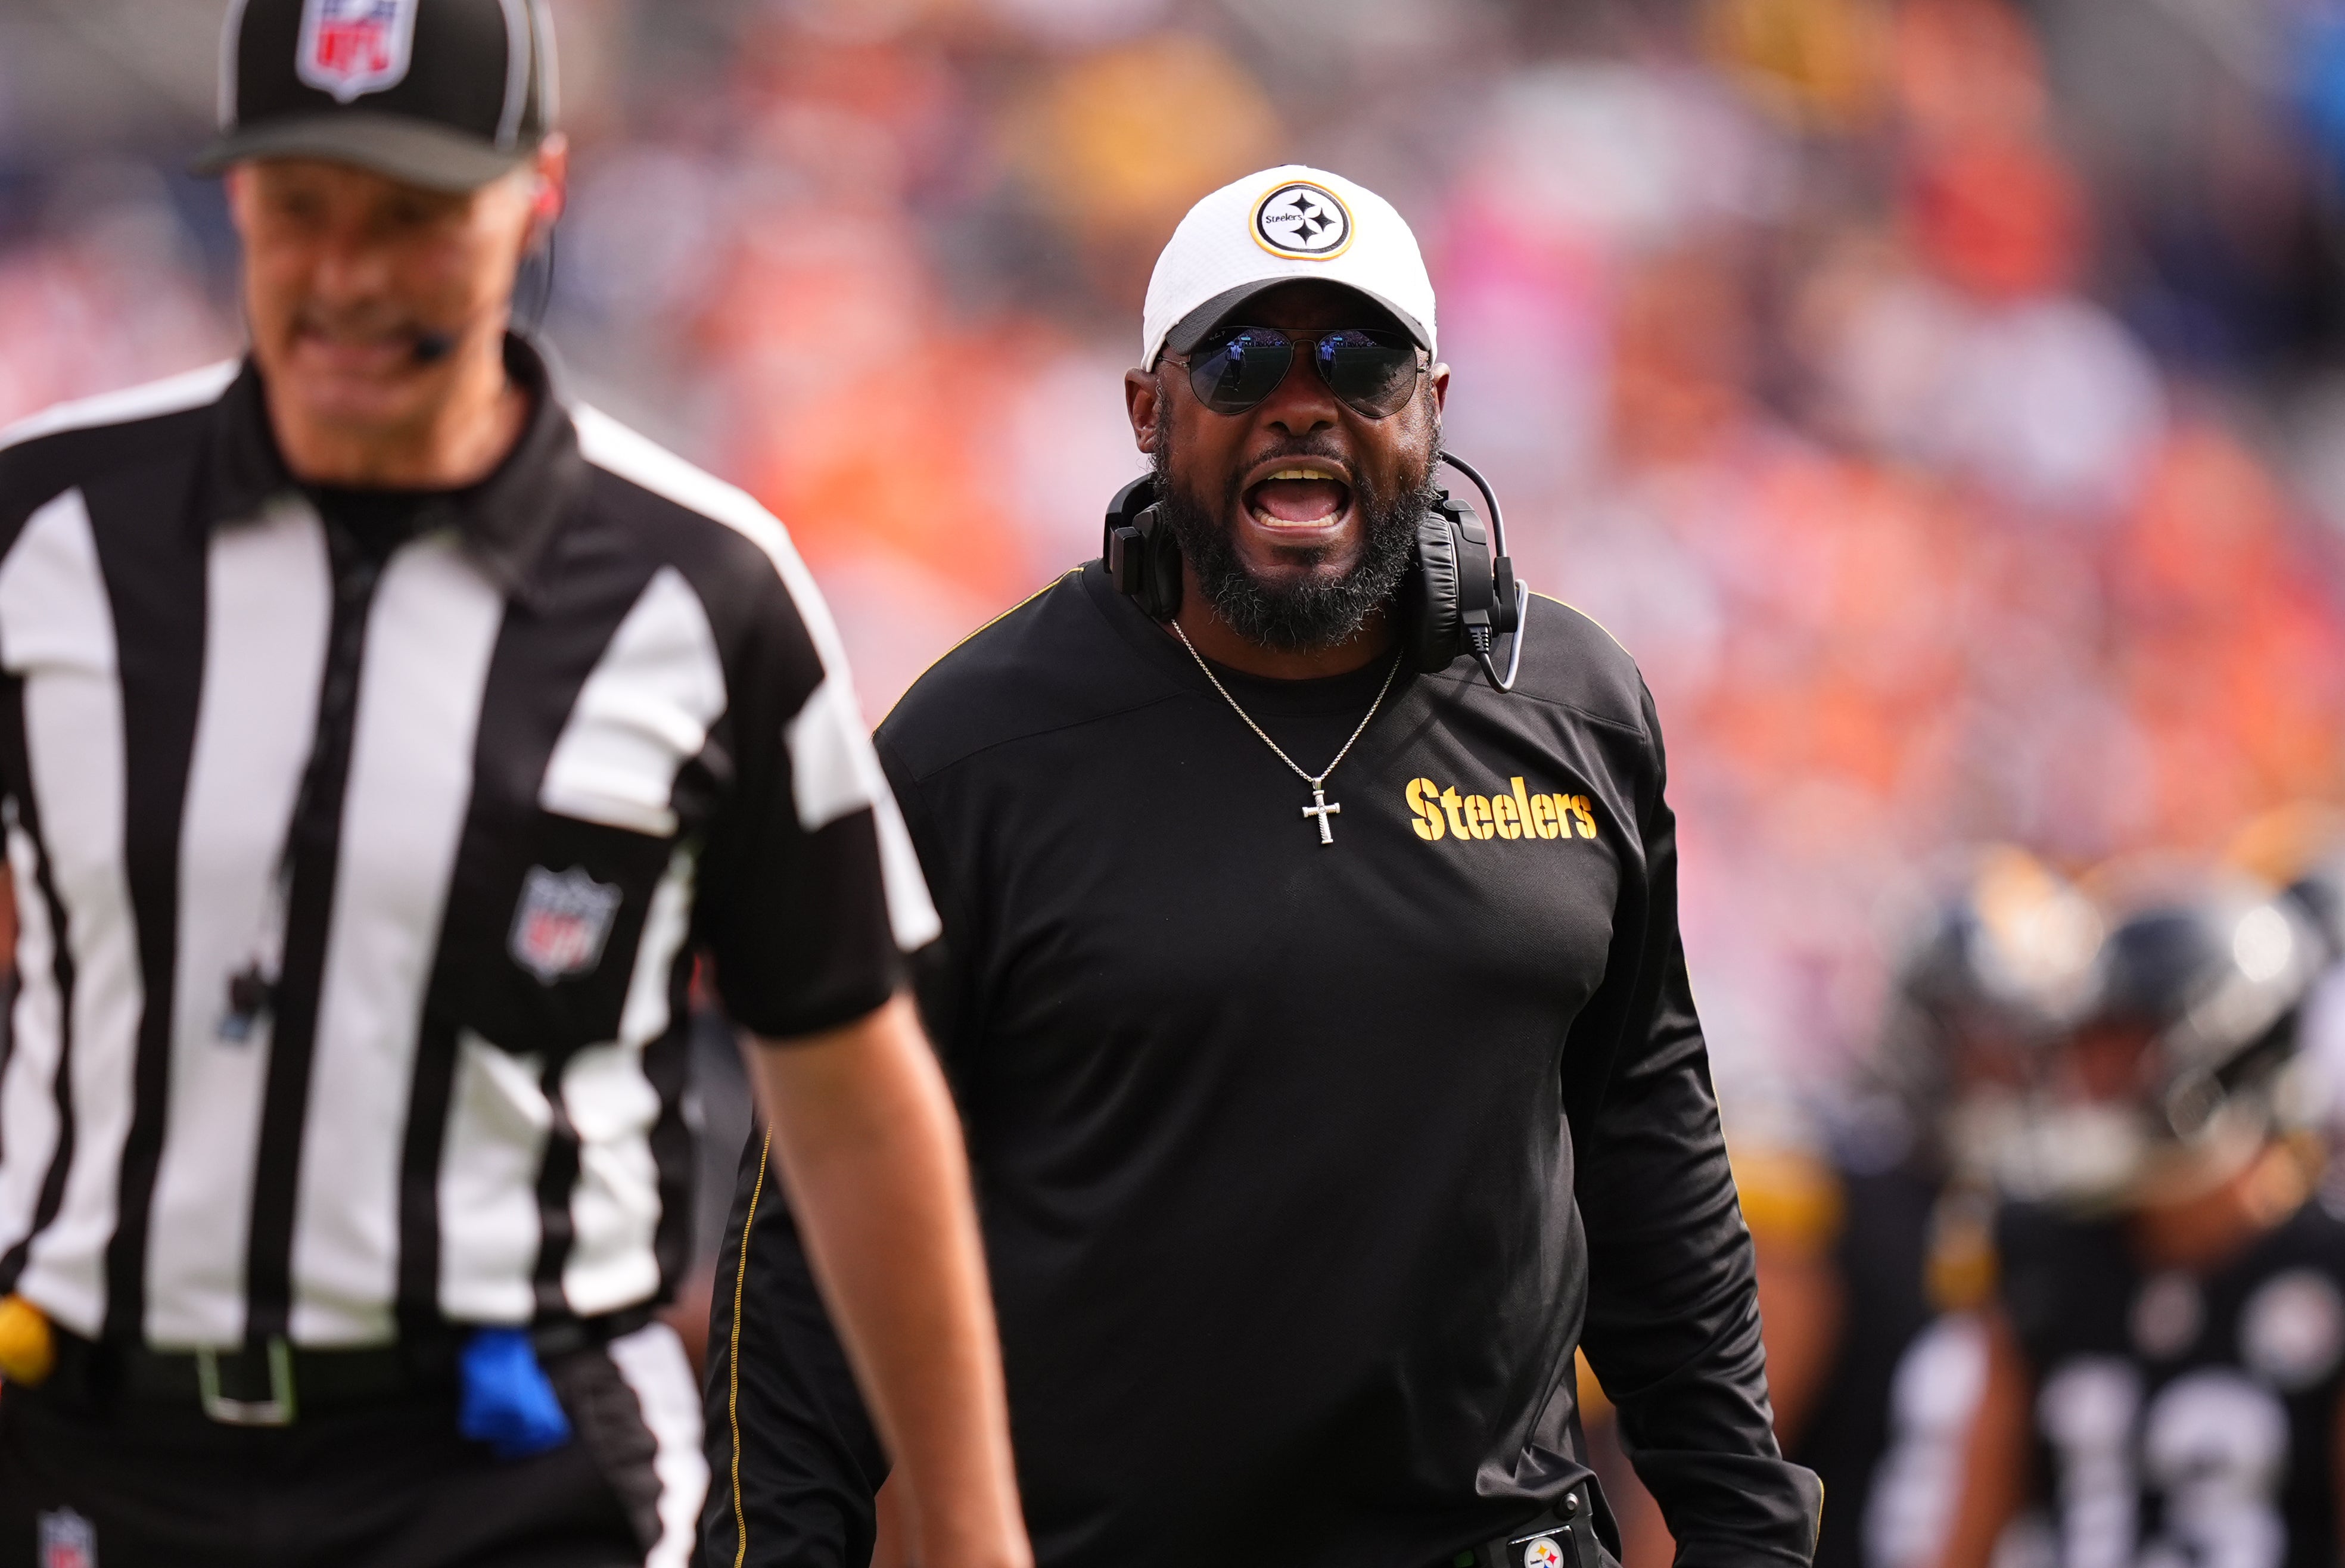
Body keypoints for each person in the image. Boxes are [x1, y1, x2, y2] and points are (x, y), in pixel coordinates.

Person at [0, 4, 1029, 1567]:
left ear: (537, 193)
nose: (348, 275)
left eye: (413, 218)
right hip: (83, 1456)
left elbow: (856, 1098)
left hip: (517, 1475)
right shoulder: (46, 534)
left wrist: (967, 1540)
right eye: (304, 210)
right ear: (236, 201)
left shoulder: (700, 594)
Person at [705, 166, 1822, 1568]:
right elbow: (817, 1223)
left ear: (1433, 407)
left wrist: (1748, 1541)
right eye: (1242, 357)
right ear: (1146, 412)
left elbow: (1649, 1165)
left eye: (1360, 359)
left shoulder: (1576, 709)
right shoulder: (972, 751)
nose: (1305, 401)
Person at [1937, 863, 2343, 1568]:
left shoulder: (2325, 1271)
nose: (2093, 1082)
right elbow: (1960, 1542)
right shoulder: (2041, 1253)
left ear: (2237, 1051)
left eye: (2124, 1047)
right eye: (2085, 1049)